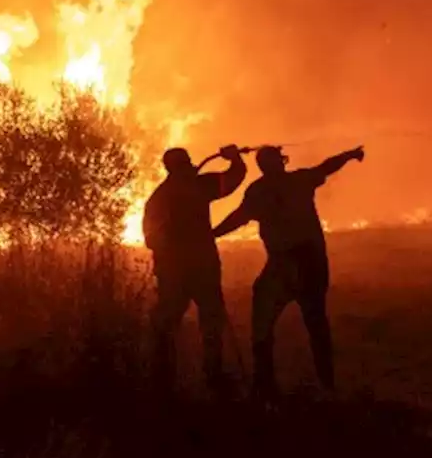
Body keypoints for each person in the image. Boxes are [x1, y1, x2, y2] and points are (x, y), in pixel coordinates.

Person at [211, 144, 364, 397]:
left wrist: (212, 233)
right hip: (310, 262)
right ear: (281, 161)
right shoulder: (299, 180)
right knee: (315, 322)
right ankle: (325, 383)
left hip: (285, 263)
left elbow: (239, 217)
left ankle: (265, 384)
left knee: (265, 320)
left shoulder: (259, 190)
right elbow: (327, 166)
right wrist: (349, 155)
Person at [142, 145, 247, 394]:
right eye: (185, 163)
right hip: (200, 269)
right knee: (210, 321)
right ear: (179, 166)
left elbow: (150, 239)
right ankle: (212, 376)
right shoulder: (199, 186)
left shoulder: (159, 197)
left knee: (169, 324)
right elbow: (233, 179)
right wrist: (234, 158)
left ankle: (164, 380)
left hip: (175, 272)